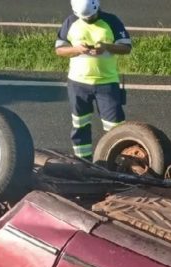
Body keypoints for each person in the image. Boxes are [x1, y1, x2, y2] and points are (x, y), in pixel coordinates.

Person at [55, 0, 132, 160]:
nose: (88, 19)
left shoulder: (111, 21)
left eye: (91, 16)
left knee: (116, 127)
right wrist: (77, 49)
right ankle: (83, 161)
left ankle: (116, 162)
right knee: (80, 124)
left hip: (107, 82)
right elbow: (59, 50)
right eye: (85, 17)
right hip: (77, 84)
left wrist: (106, 46)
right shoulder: (70, 22)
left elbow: (126, 47)